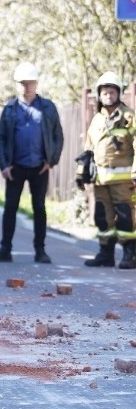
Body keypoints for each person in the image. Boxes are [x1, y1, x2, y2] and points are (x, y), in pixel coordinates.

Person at [0, 62, 64, 264]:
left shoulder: (48, 107)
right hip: (16, 168)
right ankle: (5, 250)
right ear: (17, 84)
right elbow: (1, 138)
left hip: (40, 167)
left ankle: (40, 251)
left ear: (36, 83)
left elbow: (58, 136)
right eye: (22, 83)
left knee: (39, 207)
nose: (26, 87)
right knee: (10, 207)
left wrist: (51, 160)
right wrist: (4, 165)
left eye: (30, 83)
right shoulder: (10, 108)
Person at [78, 71, 136, 269]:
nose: (108, 95)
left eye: (112, 91)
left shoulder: (129, 116)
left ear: (119, 93)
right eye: (105, 91)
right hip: (100, 181)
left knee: (126, 217)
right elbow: (88, 148)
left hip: (124, 181)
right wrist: (81, 172)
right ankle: (105, 253)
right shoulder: (97, 120)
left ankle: (130, 254)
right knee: (102, 216)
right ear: (99, 95)